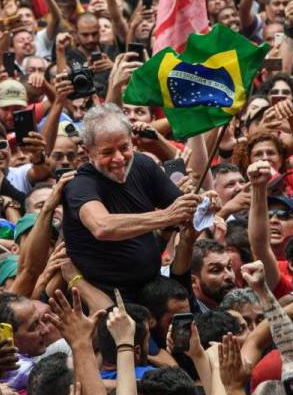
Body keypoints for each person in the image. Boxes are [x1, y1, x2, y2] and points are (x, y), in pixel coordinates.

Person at [62, 104, 203, 301]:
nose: (119, 159)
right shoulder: (80, 186)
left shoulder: (143, 164)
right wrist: (166, 216)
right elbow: (102, 226)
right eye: (107, 152)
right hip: (111, 298)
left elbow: (184, 208)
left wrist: (204, 202)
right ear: (88, 152)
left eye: (124, 148)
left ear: (132, 142)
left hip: (154, 288)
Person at [190, 239, 236, 311]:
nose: (229, 276)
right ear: (193, 281)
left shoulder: (238, 308)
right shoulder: (189, 315)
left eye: (229, 267)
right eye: (216, 270)